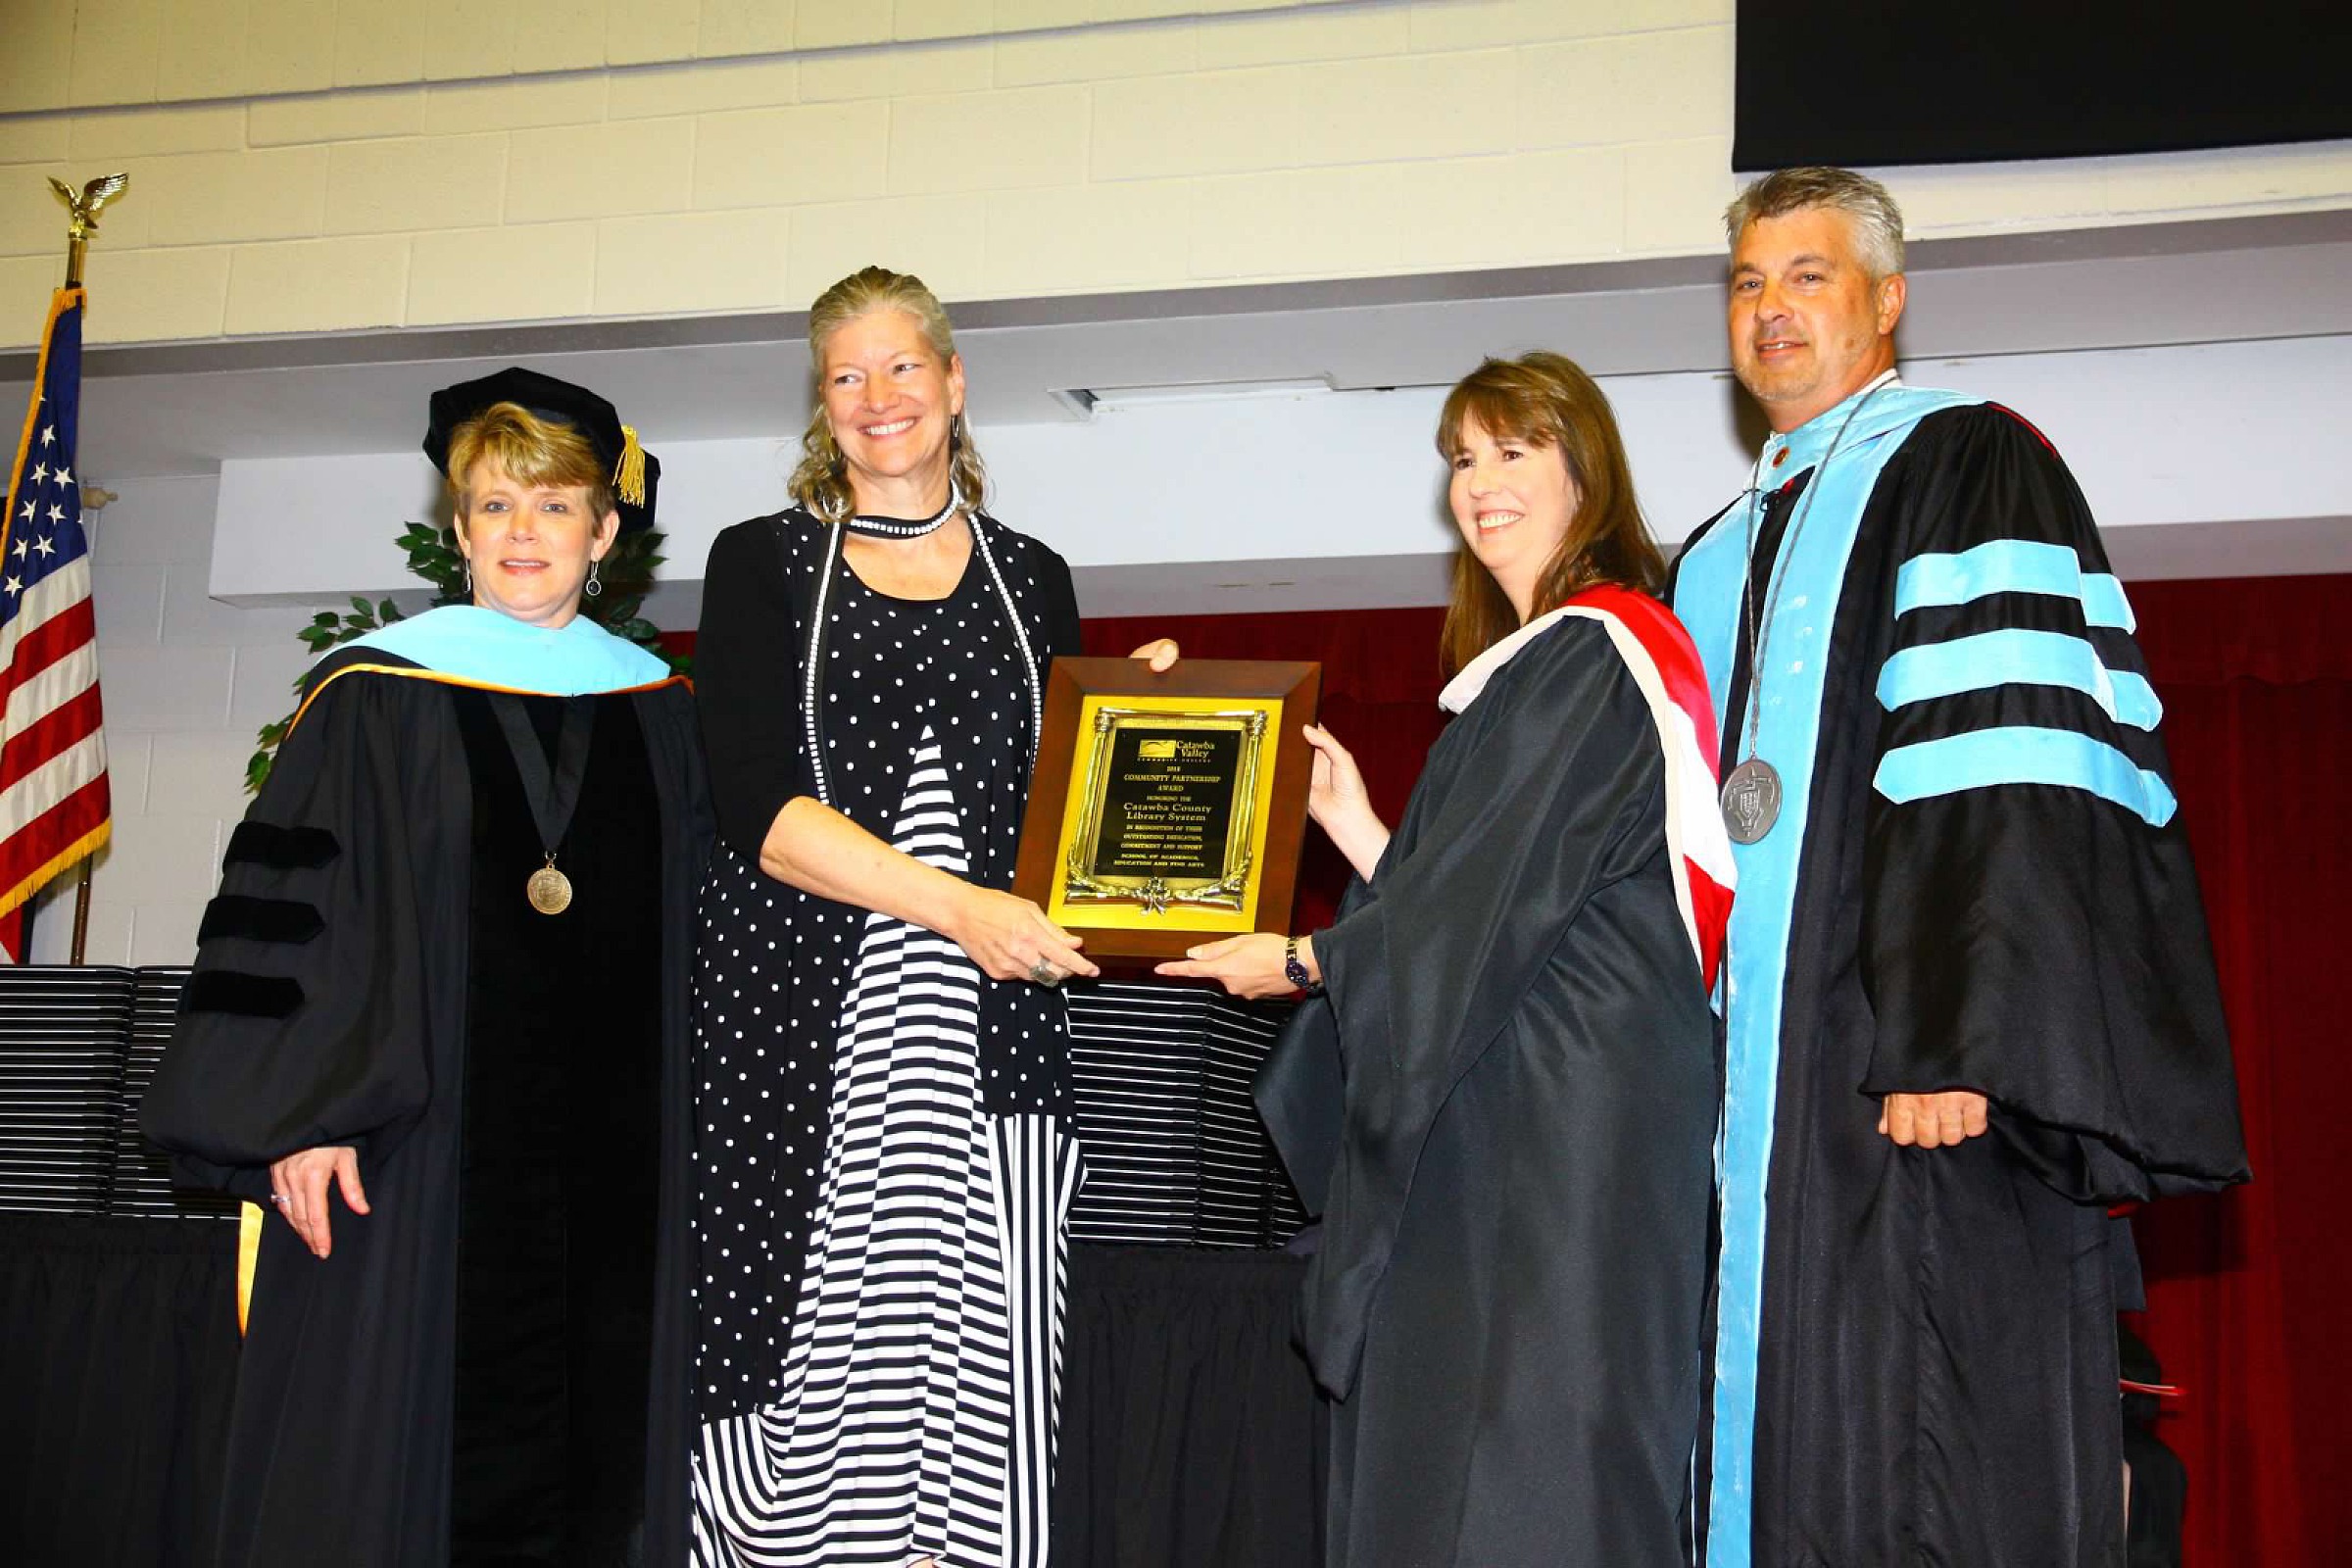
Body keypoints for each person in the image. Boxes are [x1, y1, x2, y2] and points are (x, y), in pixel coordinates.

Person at [1668, 167, 2249, 1567]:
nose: (1771, 307)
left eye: (1808, 275)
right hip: (1737, 1090)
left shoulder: (1964, 462)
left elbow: (2007, 753)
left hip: (1897, 1063)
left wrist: (1955, 1032)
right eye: (1748, 282)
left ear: (1887, 300)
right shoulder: (1708, 553)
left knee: (1918, 1431)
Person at [1165, 352, 1735, 1566]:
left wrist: (1309, 961)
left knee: (1525, 1469)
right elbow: (1502, 899)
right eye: (1464, 459)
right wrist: (1357, 826)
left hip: (1551, 1144)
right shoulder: (1552, 668)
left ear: (1586, 470)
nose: (1481, 483)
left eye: (1514, 451)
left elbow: (1485, 912)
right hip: (1528, 1111)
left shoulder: (1593, 653)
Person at [142, 368, 712, 1566]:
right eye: (496, 504)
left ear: (605, 533)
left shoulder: (664, 713)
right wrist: (304, 1116)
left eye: (554, 505)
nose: (523, 532)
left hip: (624, 1159)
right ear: (458, 529)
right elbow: (300, 915)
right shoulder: (374, 696)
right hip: (415, 1145)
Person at [687, 266, 1174, 1568]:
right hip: (797, 1043)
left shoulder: (1034, 576)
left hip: (994, 1045)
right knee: (785, 1368)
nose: (877, 395)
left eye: (902, 365)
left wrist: (1148, 729)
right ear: (821, 404)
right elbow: (756, 810)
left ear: (955, 383)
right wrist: (960, 910)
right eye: (845, 375)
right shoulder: (760, 562)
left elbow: (1062, 812)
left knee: (975, 1371)